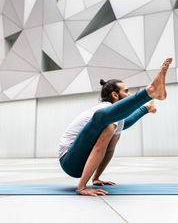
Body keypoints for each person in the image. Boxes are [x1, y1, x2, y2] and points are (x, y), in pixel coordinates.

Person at [58, 58, 172, 196]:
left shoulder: (116, 120)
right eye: (126, 91)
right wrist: (82, 187)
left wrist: (96, 178)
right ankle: (150, 92)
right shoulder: (105, 108)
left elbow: (109, 149)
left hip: (81, 164)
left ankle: (148, 102)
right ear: (114, 95)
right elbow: (99, 147)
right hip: (69, 160)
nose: (129, 94)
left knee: (115, 130)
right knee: (106, 122)